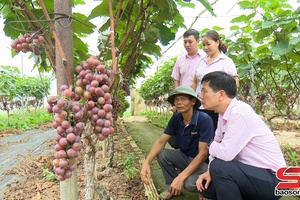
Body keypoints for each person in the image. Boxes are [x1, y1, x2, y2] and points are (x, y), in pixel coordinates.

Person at [196, 71, 286, 200]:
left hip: (274, 180)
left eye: (204, 91)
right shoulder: (223, 114)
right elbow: (217, 148)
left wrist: (211, 145)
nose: (200, 95)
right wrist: (209, 171)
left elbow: (225, 154)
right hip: (253, 174)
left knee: (219, 168)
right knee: (208, 189)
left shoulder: (239, 113)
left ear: (221, 94)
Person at [140, 86, 214, 199]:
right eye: (176, 99)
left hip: (204, 164)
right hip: (185, 156)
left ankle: (206, 192)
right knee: (162, 154)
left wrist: (180, 178)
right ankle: (172, 188)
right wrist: (146, 163)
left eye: (183, 99)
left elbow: (203, 154)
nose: (179, 102)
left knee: (189, 183)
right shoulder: (176, 118)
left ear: (193, 101)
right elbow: (161, 142)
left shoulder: (204, 120)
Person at [191, 30, 239, 131]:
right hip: (200, 106)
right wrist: (192, 98)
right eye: (203, 45)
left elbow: (234, 84)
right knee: (200, 136)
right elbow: (195, 81)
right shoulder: (201, 60)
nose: (205, 48)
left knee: (214, 135)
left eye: (208, 44)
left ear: (217, 42)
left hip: (216, 109)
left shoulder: (226, 62)